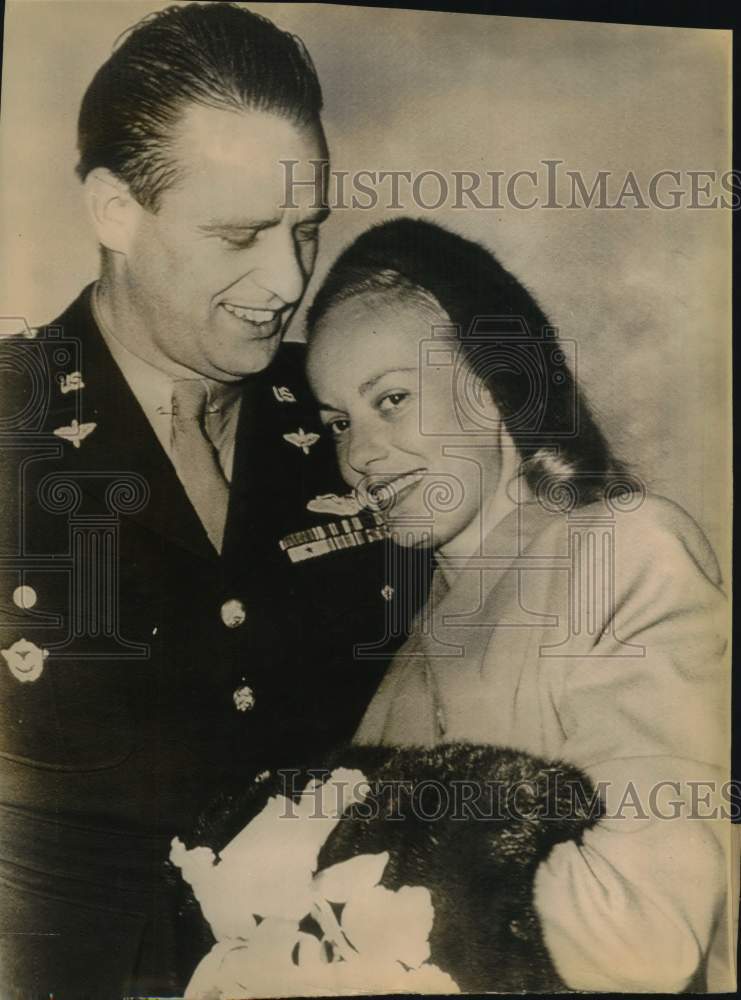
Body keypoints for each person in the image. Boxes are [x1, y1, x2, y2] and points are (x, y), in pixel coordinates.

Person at [0, 7, 426, 997]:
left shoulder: (358, 417)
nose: (284, 282)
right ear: (114, 210)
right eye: (238, 235)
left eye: (306, 230)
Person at [305, 217, 732, 992]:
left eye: (390, 400)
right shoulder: (400, 658)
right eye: (338, 422)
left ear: (495, 378)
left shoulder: (622, 551)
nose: (357, 456)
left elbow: (642, 934)